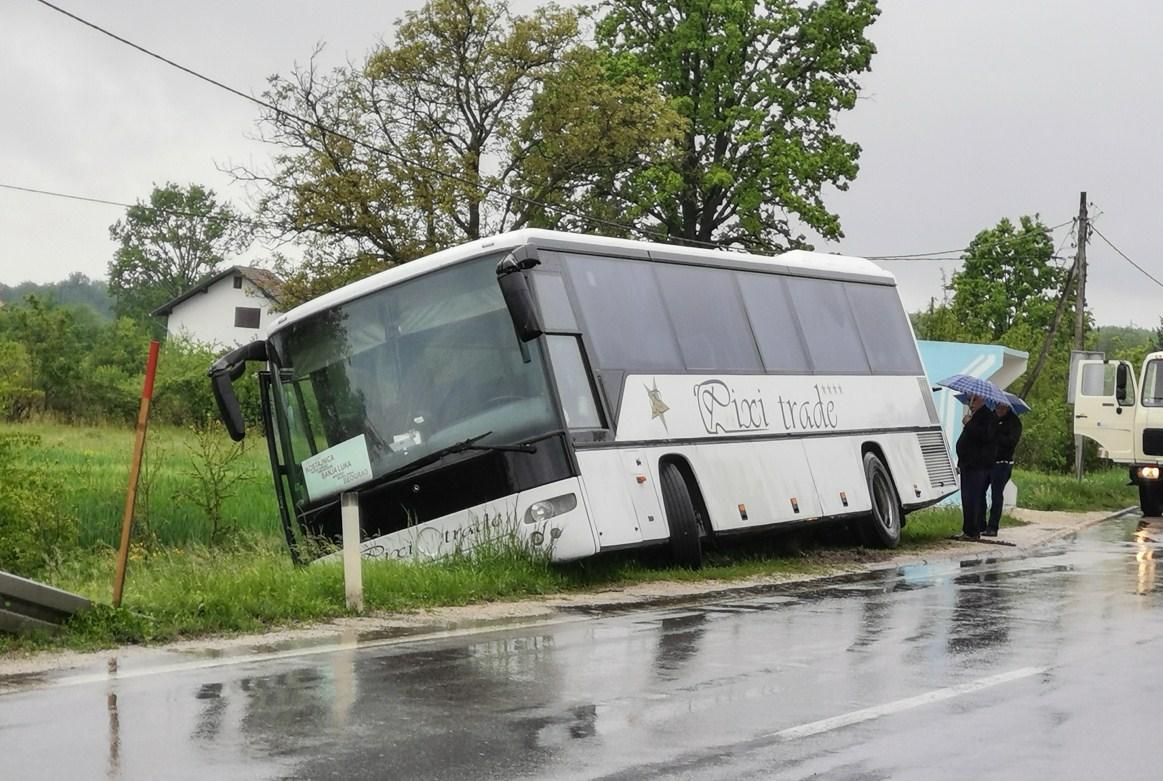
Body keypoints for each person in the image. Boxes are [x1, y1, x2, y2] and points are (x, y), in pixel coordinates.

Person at [955, 395, 997, 540]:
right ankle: (967, 529)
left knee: (973, 497)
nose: (971, 404)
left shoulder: (988, 417)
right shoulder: (974, 416)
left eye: (975, 400)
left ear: (983, 400)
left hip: (977, 465)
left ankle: (973, 530)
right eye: (970, 400)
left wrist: (969, 424)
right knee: (966, 497)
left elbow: (984, 436)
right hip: (967, 463)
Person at [985, 402, 1023, 537]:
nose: (999, 410)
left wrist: (997, 433)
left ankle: (993, 526)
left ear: (1008, 407)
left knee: (996, 494)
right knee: (979, 492)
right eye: (997, 407)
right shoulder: (991, 418)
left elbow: (1011, 442)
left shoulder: (1014, 422)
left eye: (1002, 407)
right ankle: (980, 524)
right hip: (987, 461)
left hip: (1003, 463)